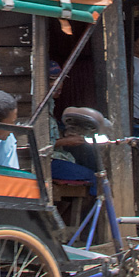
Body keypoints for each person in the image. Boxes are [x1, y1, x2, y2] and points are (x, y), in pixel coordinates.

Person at [48, 60, 97, 194]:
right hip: (48, 161)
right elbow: (40, 145)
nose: (59, 85)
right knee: (94, 177)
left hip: (59, 157)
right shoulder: (38, 107)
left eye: (61, 80)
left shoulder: (50, 105)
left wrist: (64, 134)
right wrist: (65, 142)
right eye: (53, 80)